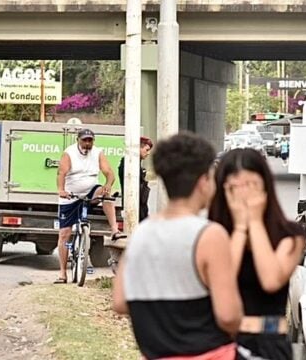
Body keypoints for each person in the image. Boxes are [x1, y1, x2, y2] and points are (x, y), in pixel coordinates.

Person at [113, 132, 243, 360]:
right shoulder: (210, 235)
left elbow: (120, 301)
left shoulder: (140, 234)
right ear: (203, 181)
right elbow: (229, 316)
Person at [208, 148, 306, 360]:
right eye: (235, 187)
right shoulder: (212, 233)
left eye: (252, 185)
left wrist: (254, 222)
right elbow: (223, 282)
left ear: (265, 187)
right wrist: (240, 229)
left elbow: (271, 280)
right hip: (221, 343)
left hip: (270, 342)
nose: (244, 194)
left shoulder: (290, 234)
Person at [54, 128, 123, 284]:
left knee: (106, 194)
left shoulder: (98, 153)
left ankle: (114, 230)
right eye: (84, 140)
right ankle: (63, 273)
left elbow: (109, 172)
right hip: (71, 196)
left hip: (91, 191)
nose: (87, 143)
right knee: (64, 234)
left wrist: (107, 184)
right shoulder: (69, 153)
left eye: (90, 140)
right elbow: (61, 173)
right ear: (78, 140)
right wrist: (61, 190)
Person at [117, 136, 153, 222]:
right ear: (138, 148)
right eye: (146, 150)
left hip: (140, 206)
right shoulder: (128, 164)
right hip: (135, 205)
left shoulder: (135, 164)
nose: (148, 153)